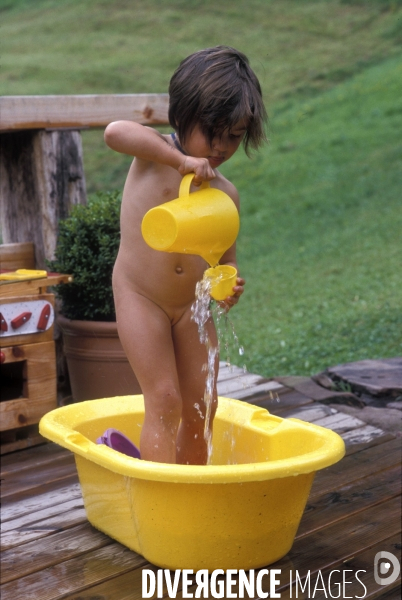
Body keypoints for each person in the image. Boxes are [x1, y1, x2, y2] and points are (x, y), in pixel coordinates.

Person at [104, 46, 267, 465]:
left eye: (233, 136)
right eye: (212, 132)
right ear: (183, 116)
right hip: (142, 297)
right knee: (165, 398)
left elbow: (223, 262)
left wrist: (227, 287)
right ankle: (160, 498)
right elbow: (114, 132)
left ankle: (191, 487)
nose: (221, 146)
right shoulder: (155, 154)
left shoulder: (225, 194)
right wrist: (180, 159)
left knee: (204, 403)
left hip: (191, 310)